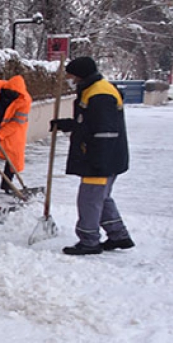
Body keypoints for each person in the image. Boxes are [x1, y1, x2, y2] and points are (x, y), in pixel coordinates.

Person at [50, 56, 134, 255]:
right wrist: (66, 124)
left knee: (89, 199)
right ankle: (118, 236)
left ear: (80, 74)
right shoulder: (94, 89)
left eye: (70, 74)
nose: (69, 78)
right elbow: (88, 122)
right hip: (107, 156)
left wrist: (98, 162)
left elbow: (105, 131)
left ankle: (89, 241)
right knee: (101, 198)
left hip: (102, 157)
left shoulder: (100, 93)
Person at [0, 75, 32, 193]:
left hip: (13, 132)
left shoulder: (25, 100)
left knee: (13, 158)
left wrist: (1, 134)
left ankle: (7, 185)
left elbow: (17, 122)